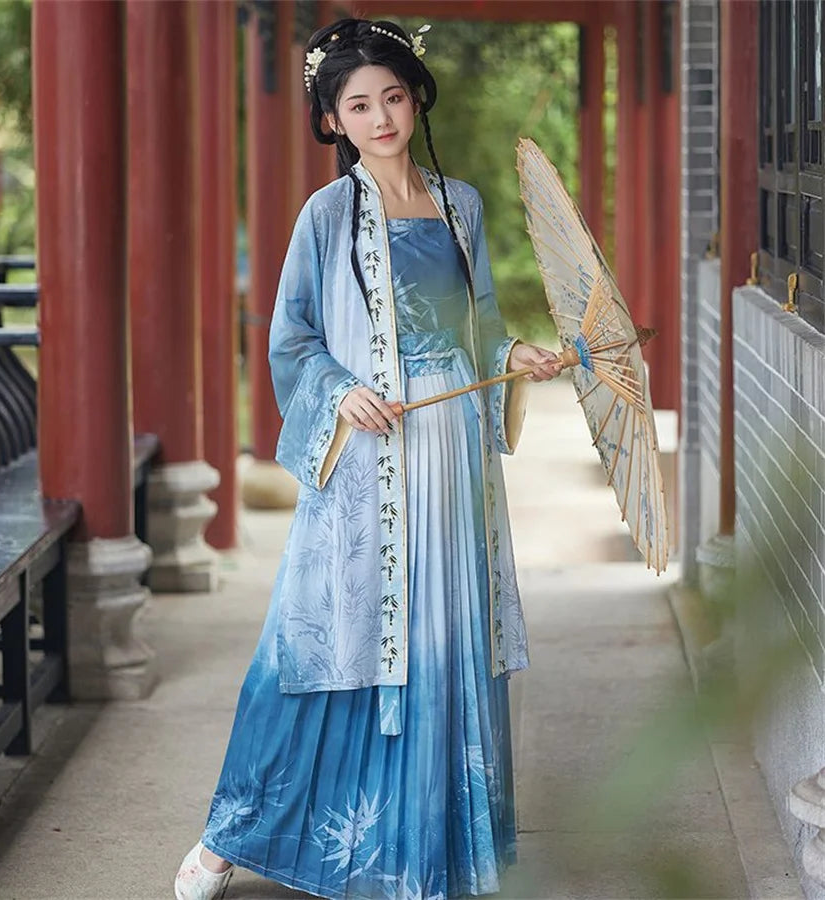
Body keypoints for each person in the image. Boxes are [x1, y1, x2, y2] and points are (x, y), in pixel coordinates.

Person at [175, 17, 561, 900]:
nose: (381, 116)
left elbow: (481, 326)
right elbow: (293, 339)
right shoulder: (326, 215)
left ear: (415, 96)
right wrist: (339, 390)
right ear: (333, 121)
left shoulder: (461, 204)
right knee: (316, 646)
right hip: (370, 455)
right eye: (359, 104)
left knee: (445, 636)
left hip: (453, 451)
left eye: (393, 95)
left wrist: (515, 356)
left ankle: (427, 851)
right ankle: (226, 839)